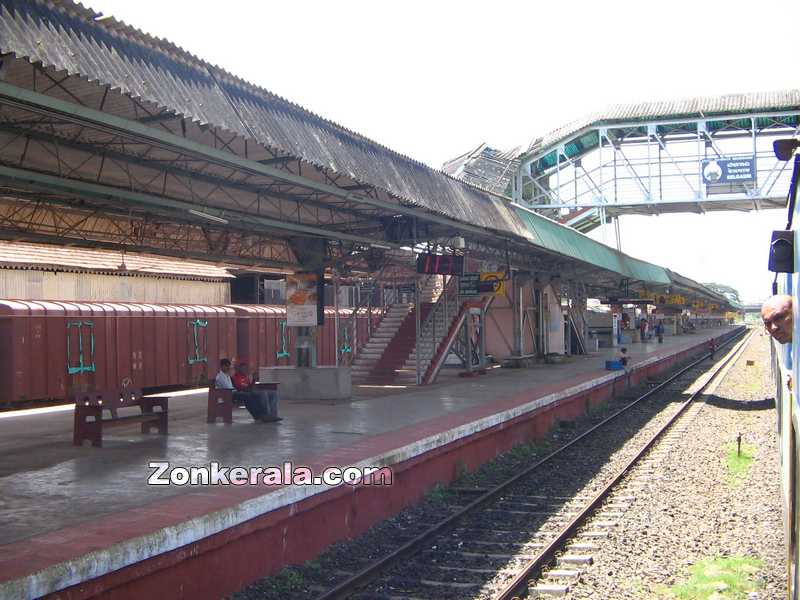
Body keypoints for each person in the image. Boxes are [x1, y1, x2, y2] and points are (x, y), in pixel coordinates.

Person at [214, 358, 273, 423]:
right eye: (227, 366)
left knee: (253, 395)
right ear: (222, 366)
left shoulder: (227, 375)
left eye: (229, 366)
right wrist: (238, 390)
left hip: (232, 393)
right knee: (247, 396)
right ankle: (259, 416)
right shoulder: (220, 377)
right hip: (227, 395)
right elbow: (228, 388)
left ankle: (263, 415)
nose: (228, 368)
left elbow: (234, 387)